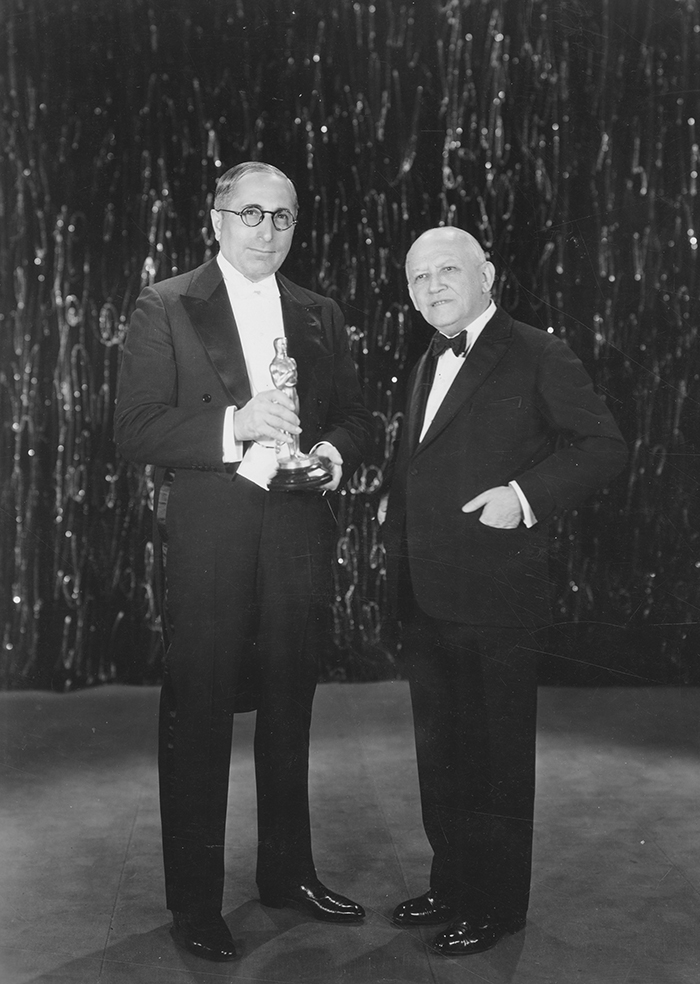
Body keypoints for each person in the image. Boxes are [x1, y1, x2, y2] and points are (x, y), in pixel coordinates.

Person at [115, 162, 373, 962]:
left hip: (298, 533)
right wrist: (239, 424)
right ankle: (195, 903)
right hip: (212, 538)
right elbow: (135, 429)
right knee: (200, 712)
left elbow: (357, 418)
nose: (267, 230)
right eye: (251, 213)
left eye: (283, 216)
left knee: (291, 705)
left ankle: (287, 874)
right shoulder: (165, 304)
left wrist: (332, 453)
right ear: (217, 220)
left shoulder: (320, 311)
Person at [380, 226, 627, 956]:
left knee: (496, 758)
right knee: (442, 754)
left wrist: (522, 497)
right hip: (427, 591)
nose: (432, 287)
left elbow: (604, 446)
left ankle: (497, 907)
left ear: (487, 274)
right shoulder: (428, 356)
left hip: (496, 594)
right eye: (418, 277)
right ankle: (452, 885)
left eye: (447, 270)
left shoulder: (538, 351)